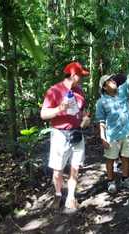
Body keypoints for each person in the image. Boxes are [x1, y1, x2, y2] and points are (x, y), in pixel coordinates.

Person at [95, 55, 129, 193]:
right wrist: (103, 138)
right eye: (109, 81)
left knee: (126, 157)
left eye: (112, 79)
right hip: (112, 135)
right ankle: (110, 181)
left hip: (127, 132)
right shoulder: (101, 102)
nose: (112, 81)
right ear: (104, 87)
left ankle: (125, 179)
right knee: (110, 159)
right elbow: (101, 121)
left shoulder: (122, 92)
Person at [40, 61, 90, 211]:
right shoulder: (54, 91)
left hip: (76, 133)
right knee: (58, 169)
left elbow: (82, 111)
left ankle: (71, 197)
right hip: (60, 134)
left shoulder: (79, 91)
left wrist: (85, 119)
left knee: (75, 166)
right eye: (81, 75)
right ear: (74, 75)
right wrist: (59, 109)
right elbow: (43, 114)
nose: (82, 78)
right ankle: (58, 194)